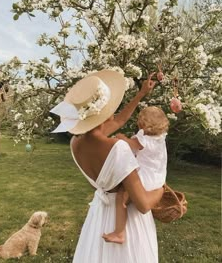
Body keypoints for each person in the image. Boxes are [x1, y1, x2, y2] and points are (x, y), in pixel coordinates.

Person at [50, 70, 164, 263]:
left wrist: (141, 94)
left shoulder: (76, 143)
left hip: (100, 217)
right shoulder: (118, 148)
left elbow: (119, 120)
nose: (115, 110)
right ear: (104, 113)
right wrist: (160, 190)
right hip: (128, 223)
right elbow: (143, 204)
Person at [103, 106, 169, 244]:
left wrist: (122, 138)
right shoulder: (160, 138)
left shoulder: (143, 139)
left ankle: (119, 233)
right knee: (128, 195)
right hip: (158, 177)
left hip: (145, 177)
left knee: (121, 195)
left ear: (143, 123)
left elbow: (132, 145)